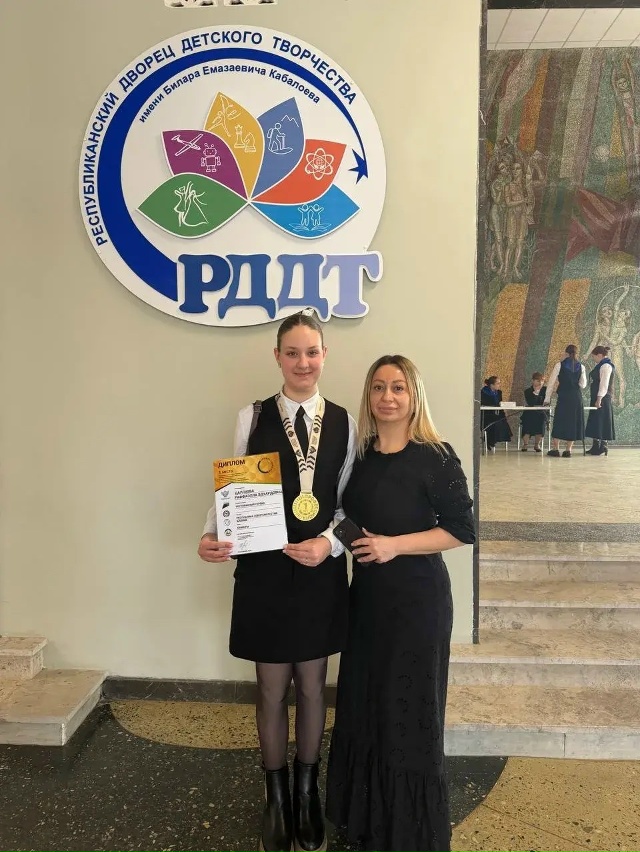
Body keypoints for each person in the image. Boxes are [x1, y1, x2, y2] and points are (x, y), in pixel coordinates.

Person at [198, 310, 356, 852]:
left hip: (318, 573)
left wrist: (329, 543)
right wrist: (211, 533)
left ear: (324, 355)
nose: (302, 362)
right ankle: (276, 796)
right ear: (277, 357)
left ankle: (308, 792)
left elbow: (349, 505)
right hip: (264, 572)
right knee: (270, 689)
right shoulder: (252, 416)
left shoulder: (345, 422)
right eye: (292, 353)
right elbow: (232, 491)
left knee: (312, 686)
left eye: (312, 352)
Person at [325, 355, 476, 852]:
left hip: (417, 605)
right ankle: (367, 819)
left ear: (414, 395)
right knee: (366, 707)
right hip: (367, 602)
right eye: (378, 387)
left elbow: (461, 529)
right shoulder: (360, 455)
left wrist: (394, 545)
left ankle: (410, 832)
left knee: (407, 714)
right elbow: (342, 514)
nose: (387, 397)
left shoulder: (436, 455)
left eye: (398, 387)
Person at [544, 344, 587, 457]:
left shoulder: (559, 365)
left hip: (564, 396)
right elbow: (583, 384)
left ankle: (556, 449)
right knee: (573, 422)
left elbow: (551, 383)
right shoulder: (581, 367)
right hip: (576, 397)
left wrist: (547, 398)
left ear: (566, 353)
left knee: (559, 420)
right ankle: (568, 450)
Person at [585, 345, 616, 456]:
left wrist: (599, 399)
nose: (593, 359)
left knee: (602, 421)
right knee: (596, 420)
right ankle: (595, 446)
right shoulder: (601, 365)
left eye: (593, 357)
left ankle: (603, 446)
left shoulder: (606, 366)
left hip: (602, 398)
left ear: (599, 355)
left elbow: (604, 384)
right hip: (597, 396)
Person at [480, 376, 513, 451]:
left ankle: (491, 441)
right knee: (495, 423)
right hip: (485, 415)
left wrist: (503, 415)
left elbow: (500, 404)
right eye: (497, 383)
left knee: (502, 421)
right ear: (492, 385)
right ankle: (490, 441)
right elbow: (483, 404)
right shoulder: (483, 392)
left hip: (496, 414)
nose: (499, 385)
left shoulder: (499, 392)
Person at [520, 371, 547, 451]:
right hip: (530, 412)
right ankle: (525, 444)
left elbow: (545, 402)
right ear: (533, 381)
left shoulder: (545, 390)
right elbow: (531, 403)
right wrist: (536, 392)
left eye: (542, 381)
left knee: (541, 422)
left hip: (541, 413)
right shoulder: (528, 391)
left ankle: (537, 445)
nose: (540, 383)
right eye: (538, 380)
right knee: (527, 421)